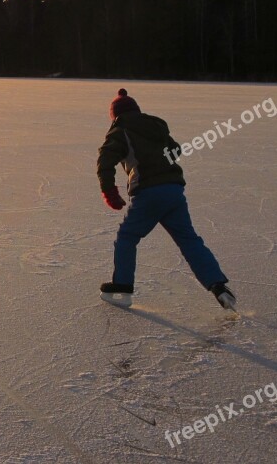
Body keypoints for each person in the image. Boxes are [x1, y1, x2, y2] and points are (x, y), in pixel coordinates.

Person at [96, 88, 235, 309]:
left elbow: (104, 163)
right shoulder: (156, 127)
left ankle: (122, 285)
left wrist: (109, 192)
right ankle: (218, 286)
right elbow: (176, 150)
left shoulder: (120, 131)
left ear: (115, 115)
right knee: (189, 240)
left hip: (149, 193)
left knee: (127, 236)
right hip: (173, 191)